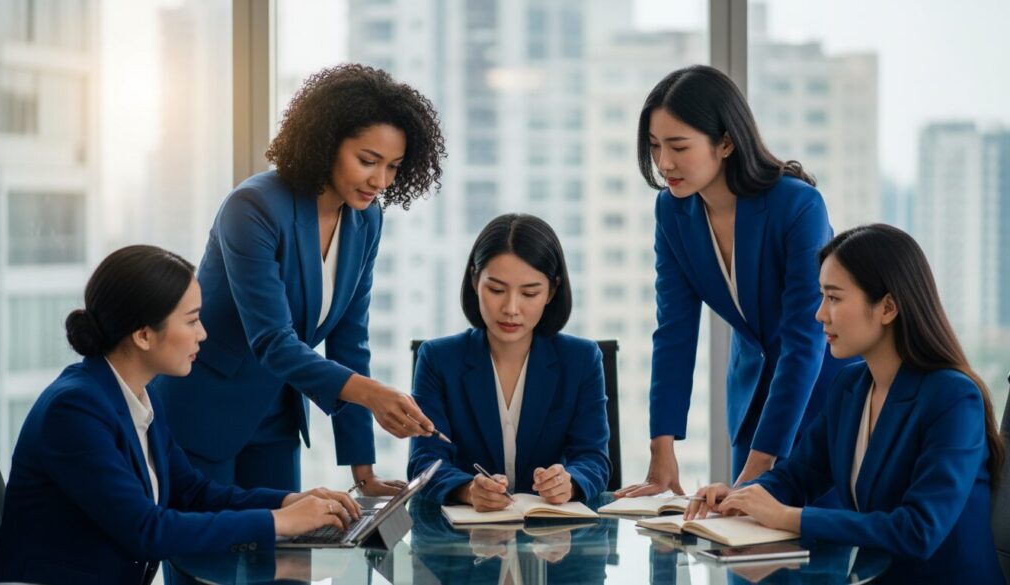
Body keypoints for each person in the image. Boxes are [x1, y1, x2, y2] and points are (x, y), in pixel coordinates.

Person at [0, 245, 361, 585]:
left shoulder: (141, 397)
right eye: (192, 320)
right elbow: (147, 529)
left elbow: (192, 494)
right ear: (144, 335)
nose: (204, 334)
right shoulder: (73, 411)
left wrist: (286, 502)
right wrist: (279, 523)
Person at [152, 64, 447, 495]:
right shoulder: (253, 207)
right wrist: (373, 394)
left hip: (277, 417)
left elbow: (350, 340)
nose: (380, 181)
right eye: (367, 161)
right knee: (206, 557)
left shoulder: (366, 220)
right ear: (326, 142)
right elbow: (272, 339)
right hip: (204, 414)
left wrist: (362, 471)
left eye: (394, 167)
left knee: (283, 559)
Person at [685, 224, 1006, 583]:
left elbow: (919, 530)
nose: (820, 314)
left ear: (887, 308)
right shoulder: (850, 387)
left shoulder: (953, 398)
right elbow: (799, 475)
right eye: (821, 296)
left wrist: (788, 517)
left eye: (834, 298)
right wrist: (741, 497)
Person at [616, 64, 853, 497]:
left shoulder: (798, 206)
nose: (664, 163)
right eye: (654, 146)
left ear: (725, 142)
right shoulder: (672, 212)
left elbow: (805, 337)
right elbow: (674, 331)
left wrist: (758, 469)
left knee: (815, 549)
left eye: (679, 146)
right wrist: (661, 449)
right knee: (743, 551)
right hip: (752, 401)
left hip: (820, 399)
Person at [407, 214, 611, 509]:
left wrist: (570, 482)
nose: (511, 309)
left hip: (553, 543)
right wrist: (468, 490)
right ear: (475, 280)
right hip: (465, 542)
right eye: (496, 290)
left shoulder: (582, 359)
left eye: (530, 293)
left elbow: (593, 459)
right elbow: (424, 462)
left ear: (552, 291)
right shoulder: (438, 359)